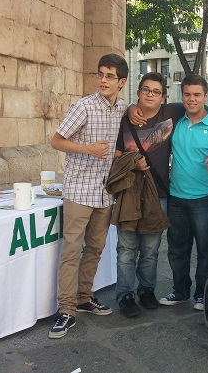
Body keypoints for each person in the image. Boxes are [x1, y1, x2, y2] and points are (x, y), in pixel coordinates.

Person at [47, 54, 128, 339]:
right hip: (79, 190)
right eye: (101, 74)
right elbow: (56, 141)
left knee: (95, 249)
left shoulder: (123, 110)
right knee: (71, 251)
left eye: (109, 76)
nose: (103, 80)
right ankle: (66, 311)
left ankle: (84, 297)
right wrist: (88, 149)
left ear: (122, 82)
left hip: (105, 193)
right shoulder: (83, 106)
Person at [158, 74, 208, 311]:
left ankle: (202, 294)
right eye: (187, 95)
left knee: (206, 249)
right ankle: (180, 291)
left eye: (197, 95)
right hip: (177, 198)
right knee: (177, 249)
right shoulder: (177, 121)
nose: (192, 100)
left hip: (206, 199)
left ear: (205, 96)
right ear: (182, 96)